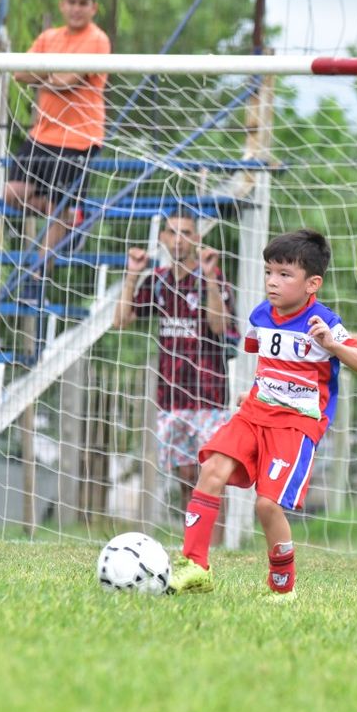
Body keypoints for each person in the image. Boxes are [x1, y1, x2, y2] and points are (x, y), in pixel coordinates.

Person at [167, 229, 357, 599]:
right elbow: (269, 362)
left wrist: (331, 344)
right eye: (268, 272)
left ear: (313, 283)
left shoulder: (323, 321)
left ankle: (283, 587)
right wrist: (259, 391)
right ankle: (195, 566)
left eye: (284, 274)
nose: (272, 282)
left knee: (266, 504)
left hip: (296, 425)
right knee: (211, 469)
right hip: (254, 413)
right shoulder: (261, 315)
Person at [113, 212, 236, 531]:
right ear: (163, 239)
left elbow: (219, 326)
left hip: (209, 394)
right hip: (171, 394)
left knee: (211, 476)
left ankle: (216, 549)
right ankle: (193, 543)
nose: (179, 238)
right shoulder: (158, 281)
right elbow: (121, 320)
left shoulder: (214, 277)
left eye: (186, 232)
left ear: (196, 239)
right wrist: (132, 275)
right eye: (172, 232)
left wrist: (209, 278)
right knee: (185, 478)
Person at [4, 0, 111, 302]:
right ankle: (72, 219)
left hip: (80, 137)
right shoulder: (49, 37)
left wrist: (46, 77)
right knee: (11, 192)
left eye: (83, 3)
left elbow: (67, 80)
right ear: (63, 5)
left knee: (57, 205)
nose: (76, 9)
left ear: (93, 8)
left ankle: (37, 276)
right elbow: (19, 72)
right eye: (72, 2)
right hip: (43, 133)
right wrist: (50, 77)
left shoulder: (97, 39)